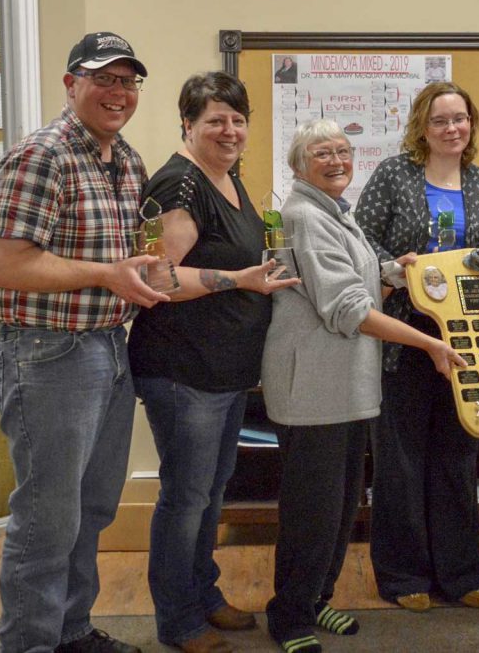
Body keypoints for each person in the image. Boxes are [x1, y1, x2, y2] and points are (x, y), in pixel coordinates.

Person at [0, 32, 167, 653]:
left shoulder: (127, 161)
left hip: (108, 347)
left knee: (91, 509)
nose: (118, 93)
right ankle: (29, 643)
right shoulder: (42, 156)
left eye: (128, 81)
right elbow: (4, 265)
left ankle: (72, 631)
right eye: (103, 78)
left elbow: (136, 257)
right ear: (70, 84)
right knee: (47, 518)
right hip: (47, 354)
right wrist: (106, 275)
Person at [261, 118, 464, 653]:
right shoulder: (304, 216)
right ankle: (289, 616)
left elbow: (358, 276)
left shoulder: (335, 212)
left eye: (343, 151)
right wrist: (429, 344)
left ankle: (316, 598)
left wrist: (394, 270)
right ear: (299, 165)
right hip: (313, 392)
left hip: (347, 388)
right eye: (322, 153)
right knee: (313, 512)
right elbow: (347, 307)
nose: (337, 161)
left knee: (343, 505)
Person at [127, 71, 300, 653]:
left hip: (223, 372)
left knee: (210, 492)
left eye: (237, 120)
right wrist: (239, 280)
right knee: (186, 498)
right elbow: (157, 280)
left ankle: (203, 594)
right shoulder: (179, 184)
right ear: (188, 124)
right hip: (183, 371)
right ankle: (178, 620)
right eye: (215, 120)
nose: (229, 131)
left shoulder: (227, 178)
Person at [357, 81, 479, 613]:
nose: (451, 128)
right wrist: (395, 267)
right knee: (401, 459)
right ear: (422, 126)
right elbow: (361, 241)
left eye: (459, 118)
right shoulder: (395, 174)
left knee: (459, 456)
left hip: (465, 336)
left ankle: (461, 574)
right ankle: (403, 575)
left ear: (470, 124)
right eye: (440, 120)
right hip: (403, 334)